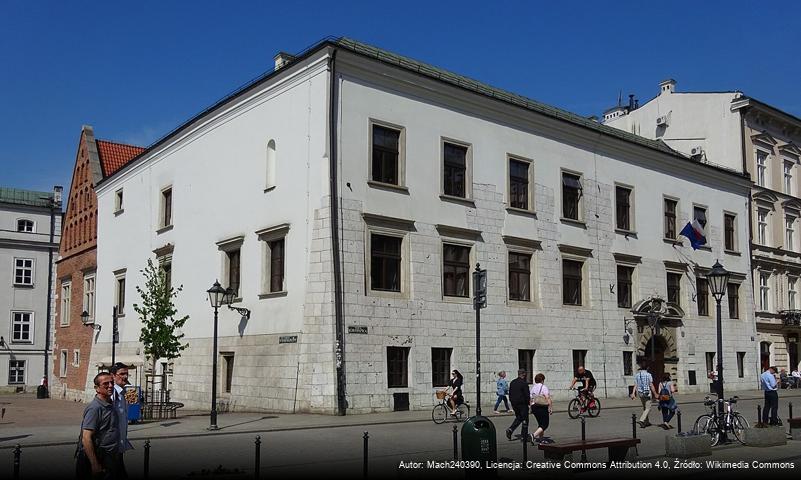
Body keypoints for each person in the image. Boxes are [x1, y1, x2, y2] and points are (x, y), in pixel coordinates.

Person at [76, 372, 120, 479]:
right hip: (98, 457)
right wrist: (94, 464)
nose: (110, 386)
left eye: (111, 383)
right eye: (105, 384)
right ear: (97, 388)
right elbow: (86, 438)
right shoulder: (95, 408)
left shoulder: (110, 404)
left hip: (109, 456)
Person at [110, 362, 133, 478]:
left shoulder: (122, 393)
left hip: (119, 445)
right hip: (112, 447)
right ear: (113, 376)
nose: (125, 377)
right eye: (121, 374)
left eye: (127, 374)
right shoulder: (112, 394)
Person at [505, 370, 531, 441]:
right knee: (525, 419)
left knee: (519, 418)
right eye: (525, 374)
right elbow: (527, 395)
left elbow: (510, 393)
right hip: (522, 404)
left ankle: (510, 429)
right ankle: (524, 436)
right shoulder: (524, 383)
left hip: (514, 404)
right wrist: (529, 404)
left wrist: (512, 402)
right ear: (523, 374)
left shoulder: (513, 382)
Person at [631, 362, 658, 428]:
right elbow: (651, 385)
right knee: (648, 408)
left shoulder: (637, 375)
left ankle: (647, 422)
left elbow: (636, 385)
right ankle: (642, 420)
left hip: (640, 393)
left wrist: (633, 393)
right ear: (647, 368)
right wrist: (655, 394)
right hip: (647, 393)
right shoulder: (648, 375)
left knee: (645, 407)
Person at [528, 373, 553, 444]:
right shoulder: (543, 387)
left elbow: (530, 398)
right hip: (542, 407)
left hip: (534, 407)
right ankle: (533, 435)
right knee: (545, 424)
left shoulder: (533, 387)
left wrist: (530, 408)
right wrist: (550, 407)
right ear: (542, 380)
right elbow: (547, 397)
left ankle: (541, 439)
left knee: (540, 423)